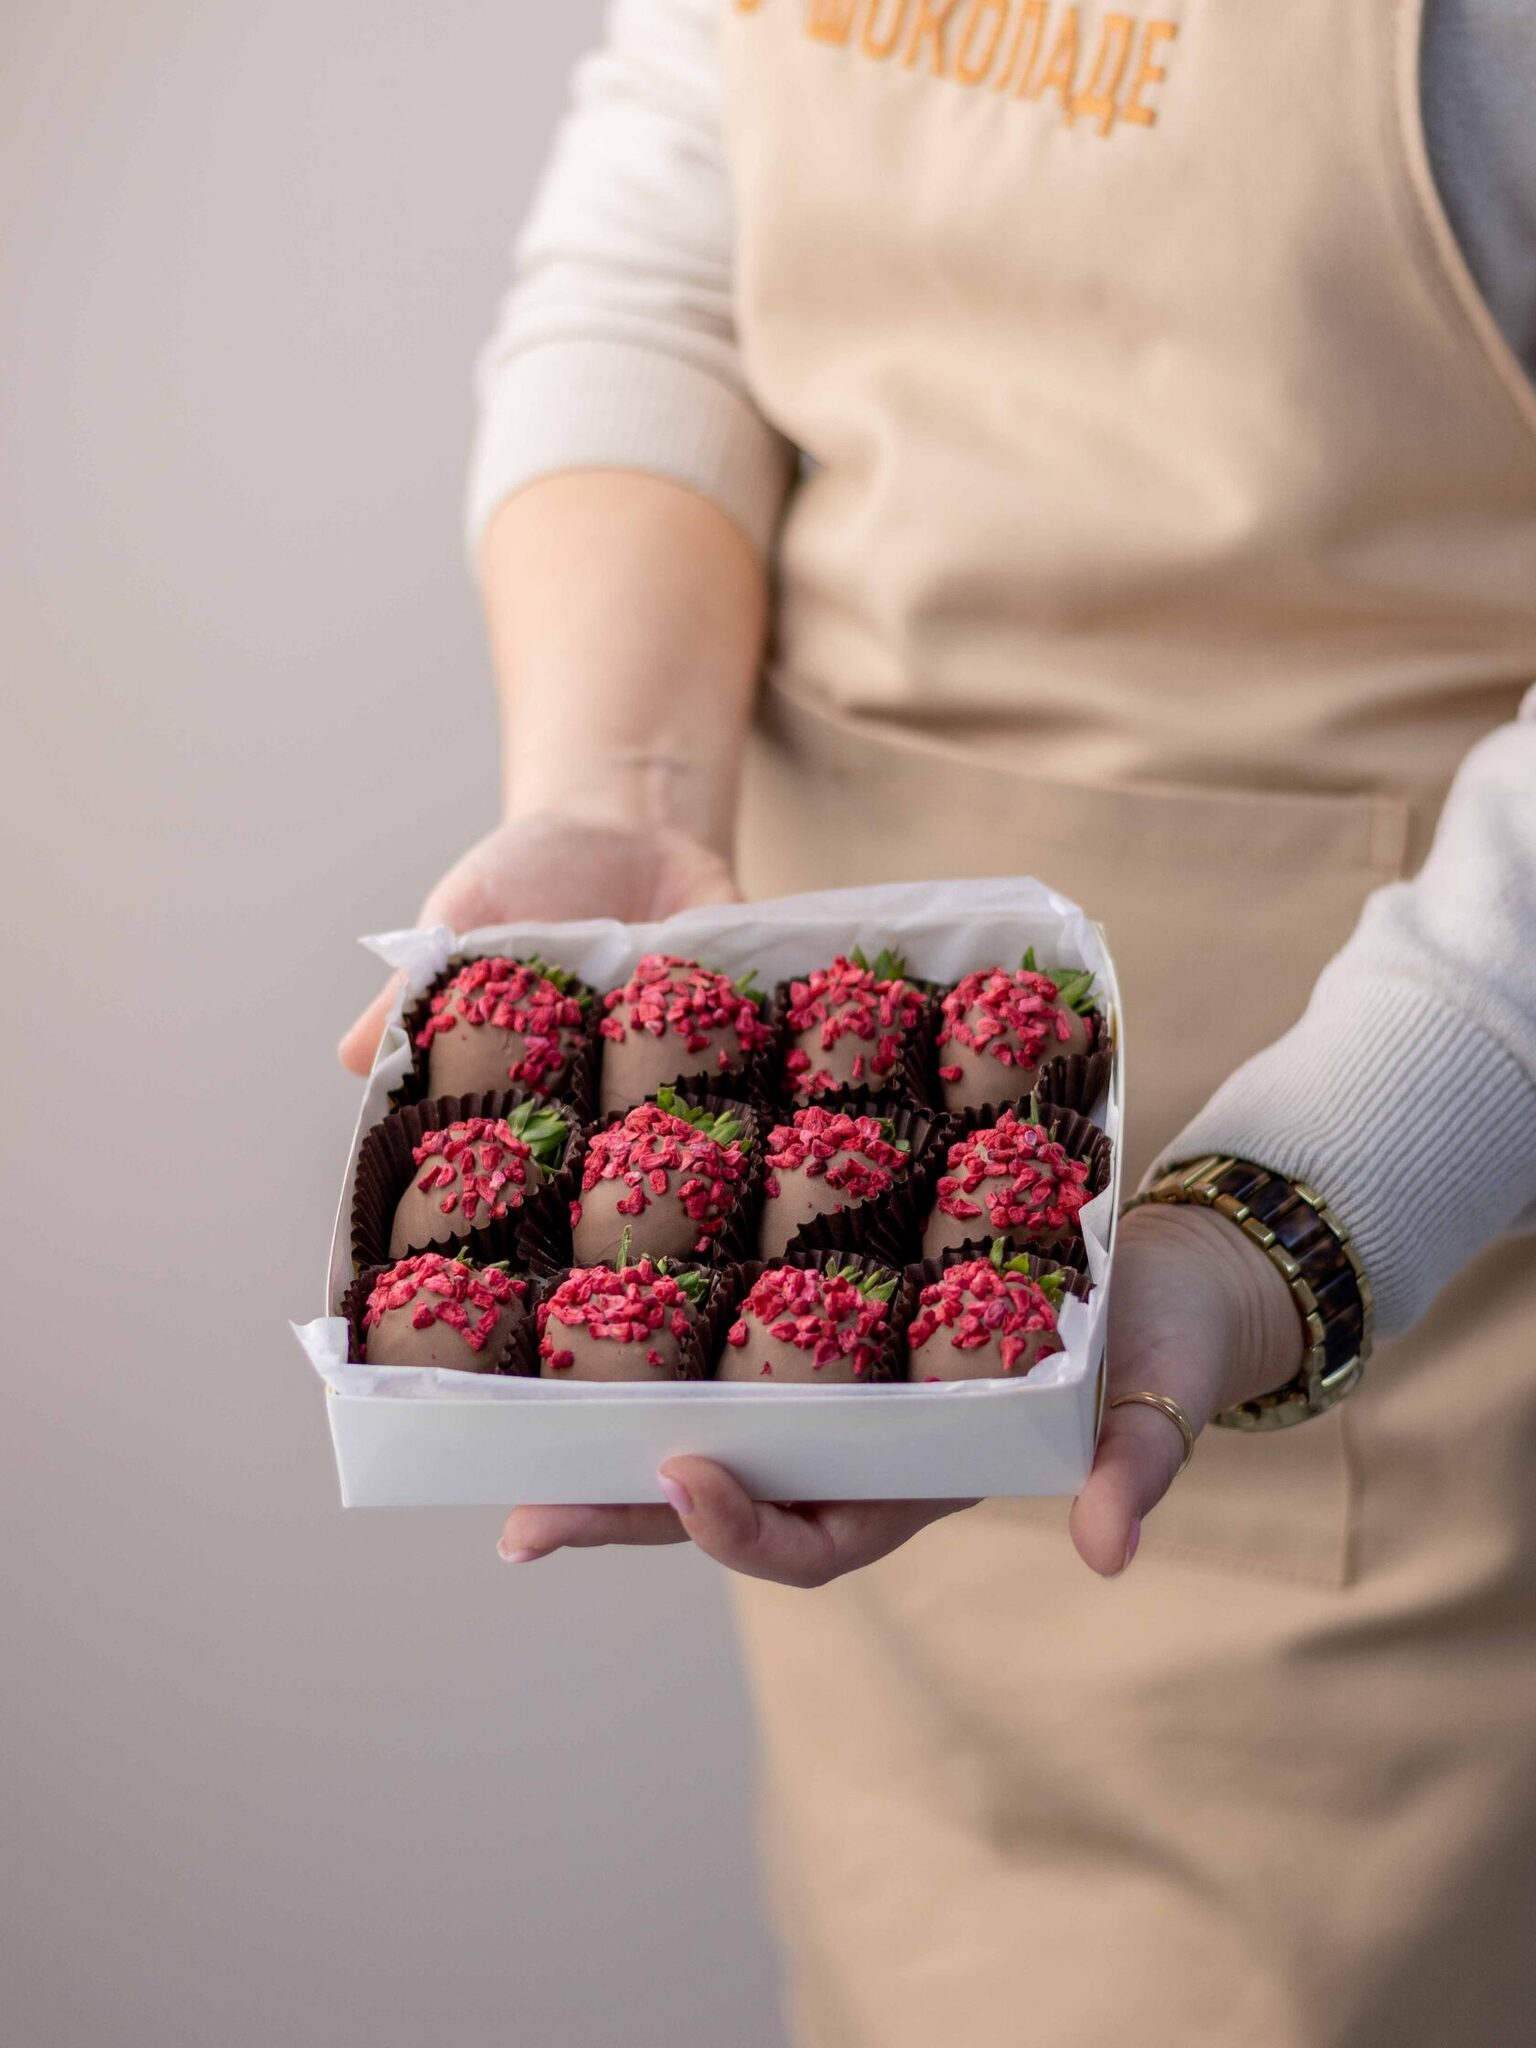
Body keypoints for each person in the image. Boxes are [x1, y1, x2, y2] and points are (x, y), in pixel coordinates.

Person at [341, 3, 1536, 2041]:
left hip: (1416, 1263)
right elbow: (665, 250)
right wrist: (625, 789)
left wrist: (1291, 1213)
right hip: (821, 1257)